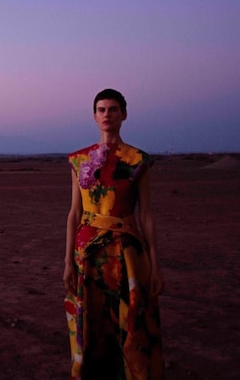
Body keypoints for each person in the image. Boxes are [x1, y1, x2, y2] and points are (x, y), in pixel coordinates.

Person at [63, 88, 165, 379]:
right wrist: (67, 261)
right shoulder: (79, 161)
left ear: (124, 115)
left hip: (127, 255)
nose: (108, 114)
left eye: (114, 109)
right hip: (87, 256)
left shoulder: (137, 160)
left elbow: (145, 214)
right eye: (102, 109)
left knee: (131, 325)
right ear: (94, 116)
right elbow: (74, 213)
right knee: (91, 325)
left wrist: (156, 266)